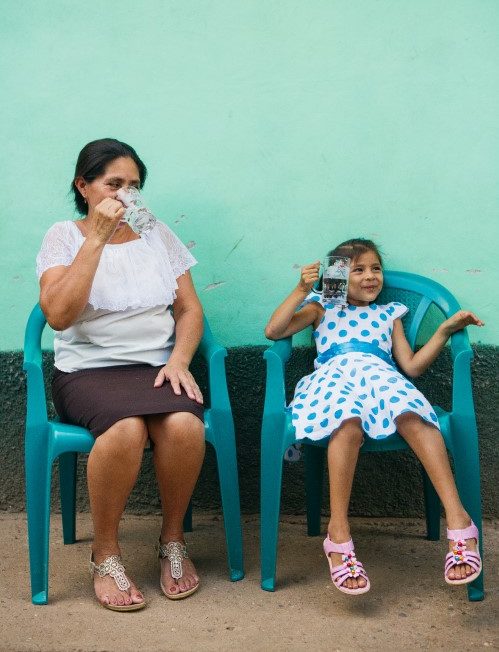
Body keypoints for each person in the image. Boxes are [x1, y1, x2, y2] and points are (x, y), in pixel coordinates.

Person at [36, 138, 205, 611]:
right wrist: (96, 239)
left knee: (185, 425)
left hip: (155, 366)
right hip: (88, 371)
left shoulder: (157, 236)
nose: (126, 195)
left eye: (134, 186)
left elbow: (190, 310)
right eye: (115, 184)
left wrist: (179, 360)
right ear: (84, 186)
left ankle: (172, 541)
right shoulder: (62, 237)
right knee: (126, 429)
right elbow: (59, 316)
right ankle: (105, 552)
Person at [264, 238, 483, 595]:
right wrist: (301, 290)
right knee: (346, 424)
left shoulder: (388, 313)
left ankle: (459, 523)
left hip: (382, 380)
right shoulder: (321, 307)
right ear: (338, 275)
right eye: (358, 270)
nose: (370, 277)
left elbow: (410, 366)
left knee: (415, 416)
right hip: (333, 379)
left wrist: (443, 331)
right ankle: (338, 535)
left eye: (376, 269)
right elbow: (274, 331)